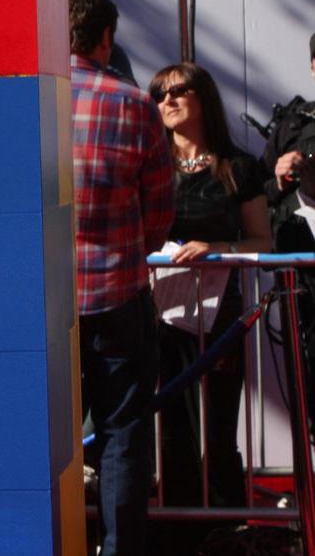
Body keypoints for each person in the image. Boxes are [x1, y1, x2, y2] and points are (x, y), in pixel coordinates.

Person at [147, 63, 273, 548]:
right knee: (172, 426)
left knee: (218, 425)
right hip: (161, 314)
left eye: (179, 91)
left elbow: (262, 240)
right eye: (159, 94)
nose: (168, 100)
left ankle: (225, 528)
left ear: (205, 98)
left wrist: (215, 248)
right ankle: (178, 531)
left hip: (222, 317)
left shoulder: (237, 166)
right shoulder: (150, 164)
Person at [71, 0, 175, 556]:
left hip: (47, 302)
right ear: (105, 40)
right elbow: (159, 211)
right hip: (118, 299)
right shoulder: (134, 104)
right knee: (123, 437)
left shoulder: (28, 99)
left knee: (46, 431)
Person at [262, 32, 315, 251]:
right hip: (301, 264)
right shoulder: (294, 124)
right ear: (313, 68)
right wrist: (280, 182)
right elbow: (256, 196)